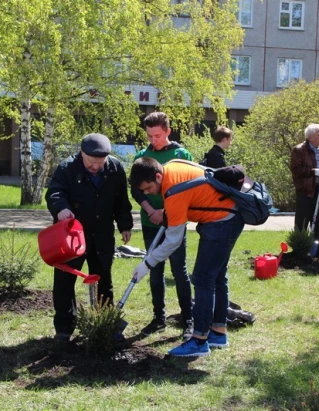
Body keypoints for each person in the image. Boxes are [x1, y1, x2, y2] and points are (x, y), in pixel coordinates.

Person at [129, 157, 245, 357]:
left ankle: (199, 341)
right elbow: (191, 197)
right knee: (216, 276)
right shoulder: (171, 168)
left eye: (148, 188)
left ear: (158, 176)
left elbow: (173, 241)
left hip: (222, 222)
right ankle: (218, 334)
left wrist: (147, 264)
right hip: (230, 217)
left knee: (202, 278)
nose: (147, 193)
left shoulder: (173, 190)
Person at [45, 133, 133, 341]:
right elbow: (55, 193)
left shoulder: (115, 168)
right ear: (82, 154)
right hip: (72, 236)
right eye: (91, 163)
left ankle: (104, 324)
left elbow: (122, 200)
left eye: (100, 163)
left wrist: (125, 225)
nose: (96, 167)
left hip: (102, 234)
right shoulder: (67, 168)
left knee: (103, 279)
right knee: (65, 280)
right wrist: (61, 210)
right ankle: (64, 328)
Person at [131, 112, 194, 341]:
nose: (153, 140)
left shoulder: (180, 154)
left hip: (175, 220)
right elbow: (136, 189)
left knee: (179, 270)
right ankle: (159, 317)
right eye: (149, 136)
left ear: (168, 131)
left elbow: (189, 188)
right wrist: (151, 211)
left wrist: (164, 212)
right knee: (154, 270)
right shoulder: (142, 155)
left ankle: (188, 318)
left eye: (157, 135)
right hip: (150, 222)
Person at [290, 123, 319, 258]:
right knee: (302, 224)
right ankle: (299, 252)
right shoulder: (299, 150)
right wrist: (314, 172)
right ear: (310, 137)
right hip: (305, 192)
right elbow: (296, 170)